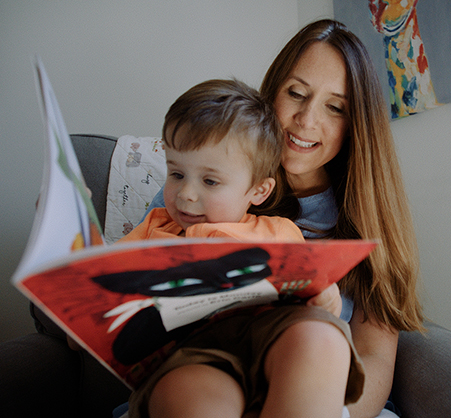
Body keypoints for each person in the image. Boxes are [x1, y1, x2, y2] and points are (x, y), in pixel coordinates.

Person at [143, 19, 425, 418]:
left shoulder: (365, 221)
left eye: (334, 107)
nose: (306, 120)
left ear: (354, 125)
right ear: (271, 90)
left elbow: (374, 358)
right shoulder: (193, 189)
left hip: (319, 399)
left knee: (316, 341)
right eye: (296, 93)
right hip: (204, 378)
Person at [121, 78, 366, 418]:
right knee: (192, 396)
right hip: (195, 354)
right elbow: (90, 310)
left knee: (322, 339)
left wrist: (327, 301)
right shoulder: (154, 229)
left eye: (210, 181)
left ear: (259, 191)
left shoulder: (280, 231)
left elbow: (314, 293)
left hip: (273, 345)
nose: (185, 194)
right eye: (176, 174)